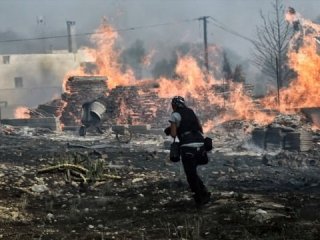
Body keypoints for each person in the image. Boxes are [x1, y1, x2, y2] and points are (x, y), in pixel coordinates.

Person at [165, 96, 210, 206]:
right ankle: (204, 192)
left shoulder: (175, 115)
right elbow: (200, 129)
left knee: (190, 175)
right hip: (200, 144)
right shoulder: (191, 112)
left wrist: (170, 128)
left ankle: (199, 200)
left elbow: (174, 134)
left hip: (188, 147)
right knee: (192, 172)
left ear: (174, 105)